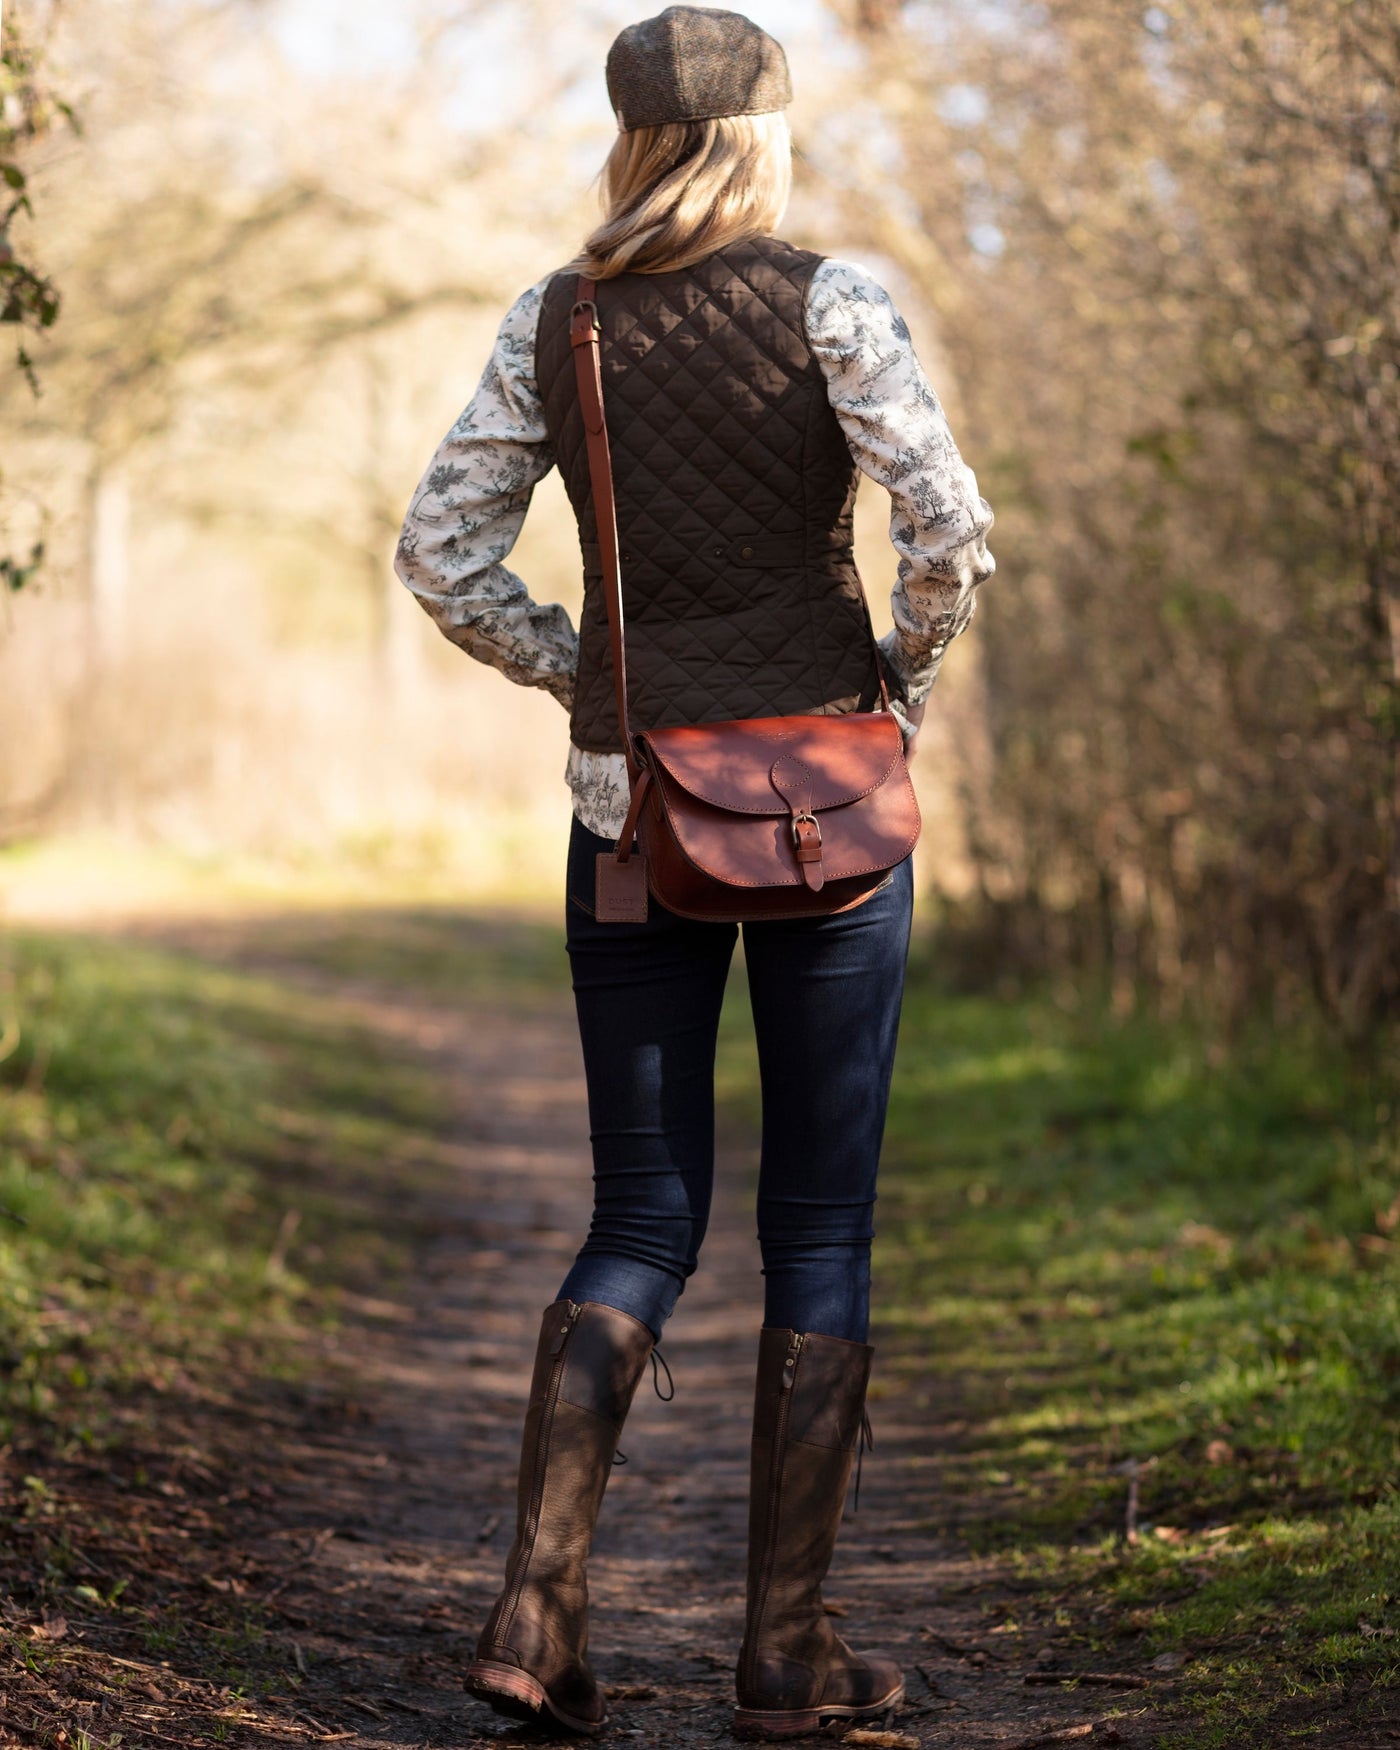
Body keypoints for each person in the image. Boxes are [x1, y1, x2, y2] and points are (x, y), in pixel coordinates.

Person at [394, 6, 994, 1738]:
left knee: (641, 1211)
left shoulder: (554, 318)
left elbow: (439, 553)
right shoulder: (836, 298)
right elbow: (948, 525)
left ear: (631, 139)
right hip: (830, 807)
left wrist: (577, 658)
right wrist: (906, 682)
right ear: (767, 136)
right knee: (820, 1216)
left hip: (627, 810)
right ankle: (786, 1652)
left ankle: (536, 1613)